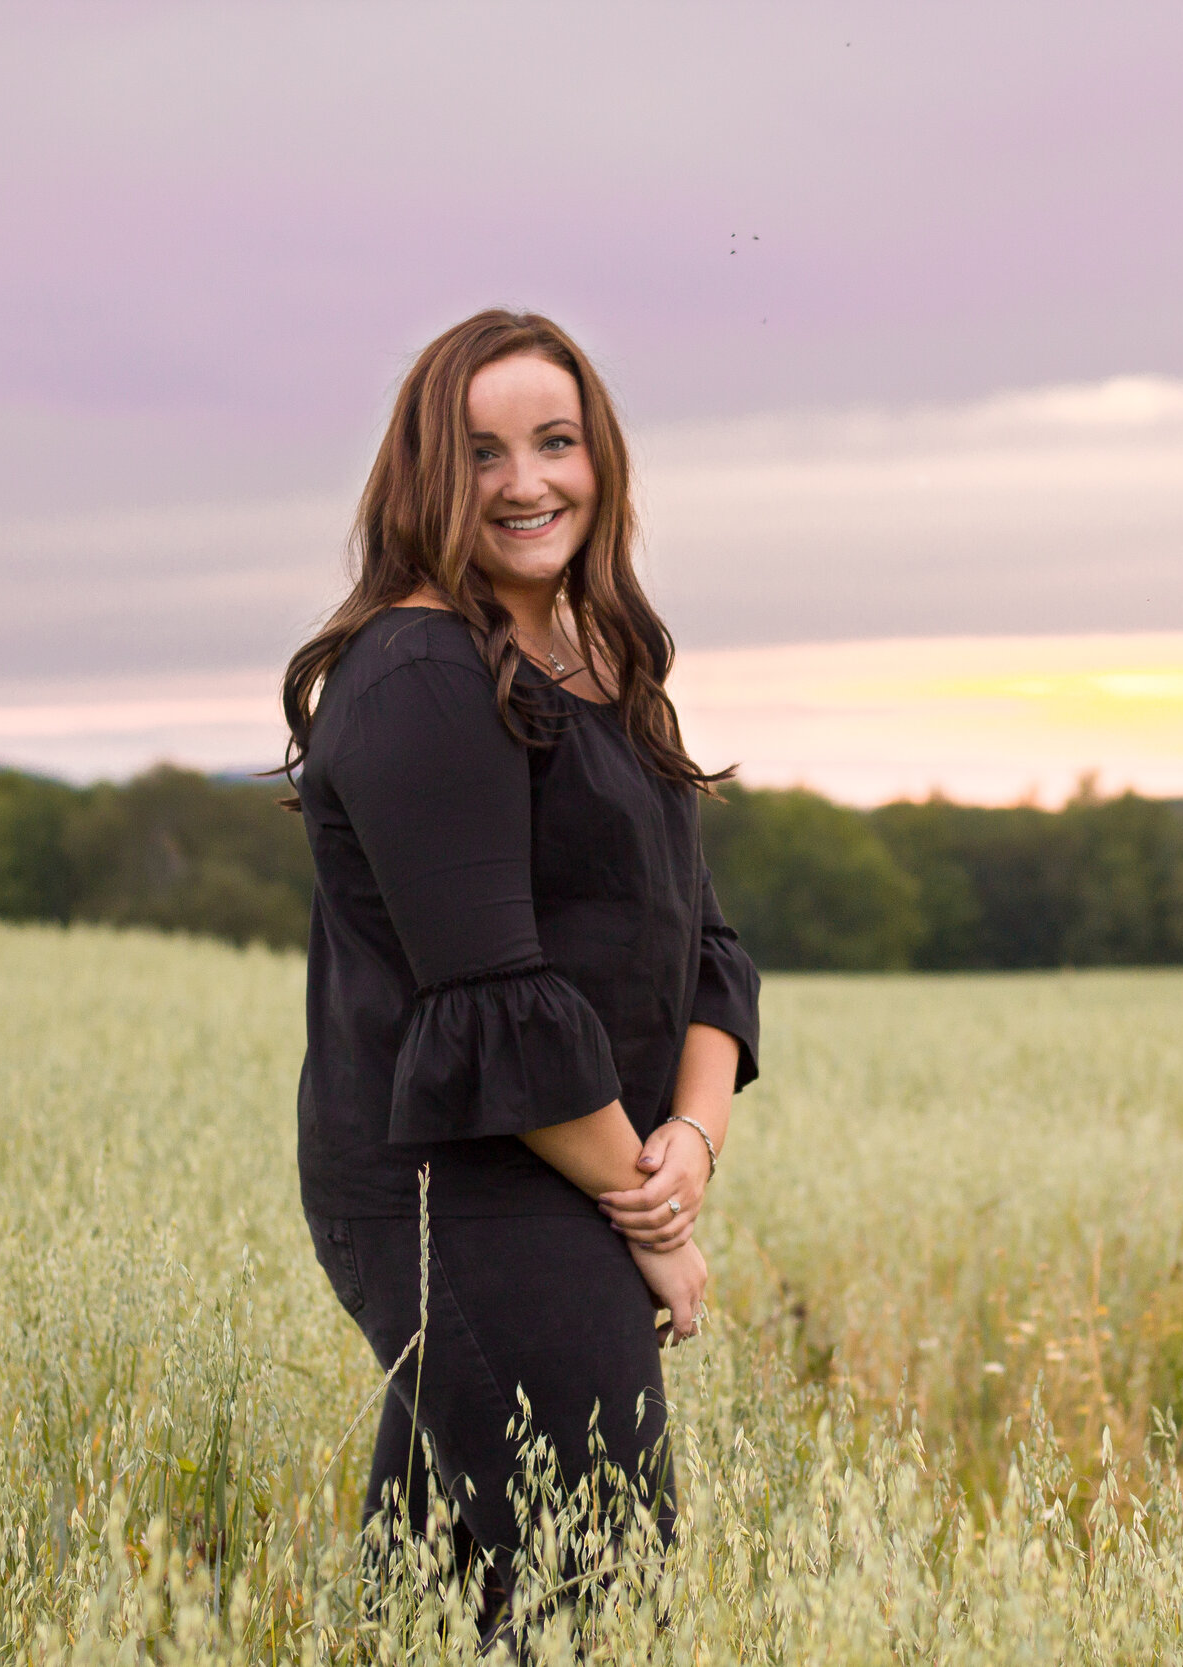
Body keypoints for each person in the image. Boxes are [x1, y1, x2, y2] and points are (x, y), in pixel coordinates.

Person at [280, 309, 760, 1630]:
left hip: (582, 1170)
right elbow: (494, 1000)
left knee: (445, 1601)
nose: (525, 481)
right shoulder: (423, 672)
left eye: (556, 441)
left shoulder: (610, 663)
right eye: (482, 452)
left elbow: (703, 944)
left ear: (601, 458)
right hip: (458, 1193)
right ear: (426, 475)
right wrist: (652, 1216)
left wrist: (692, 1141)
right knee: (602, 1576)